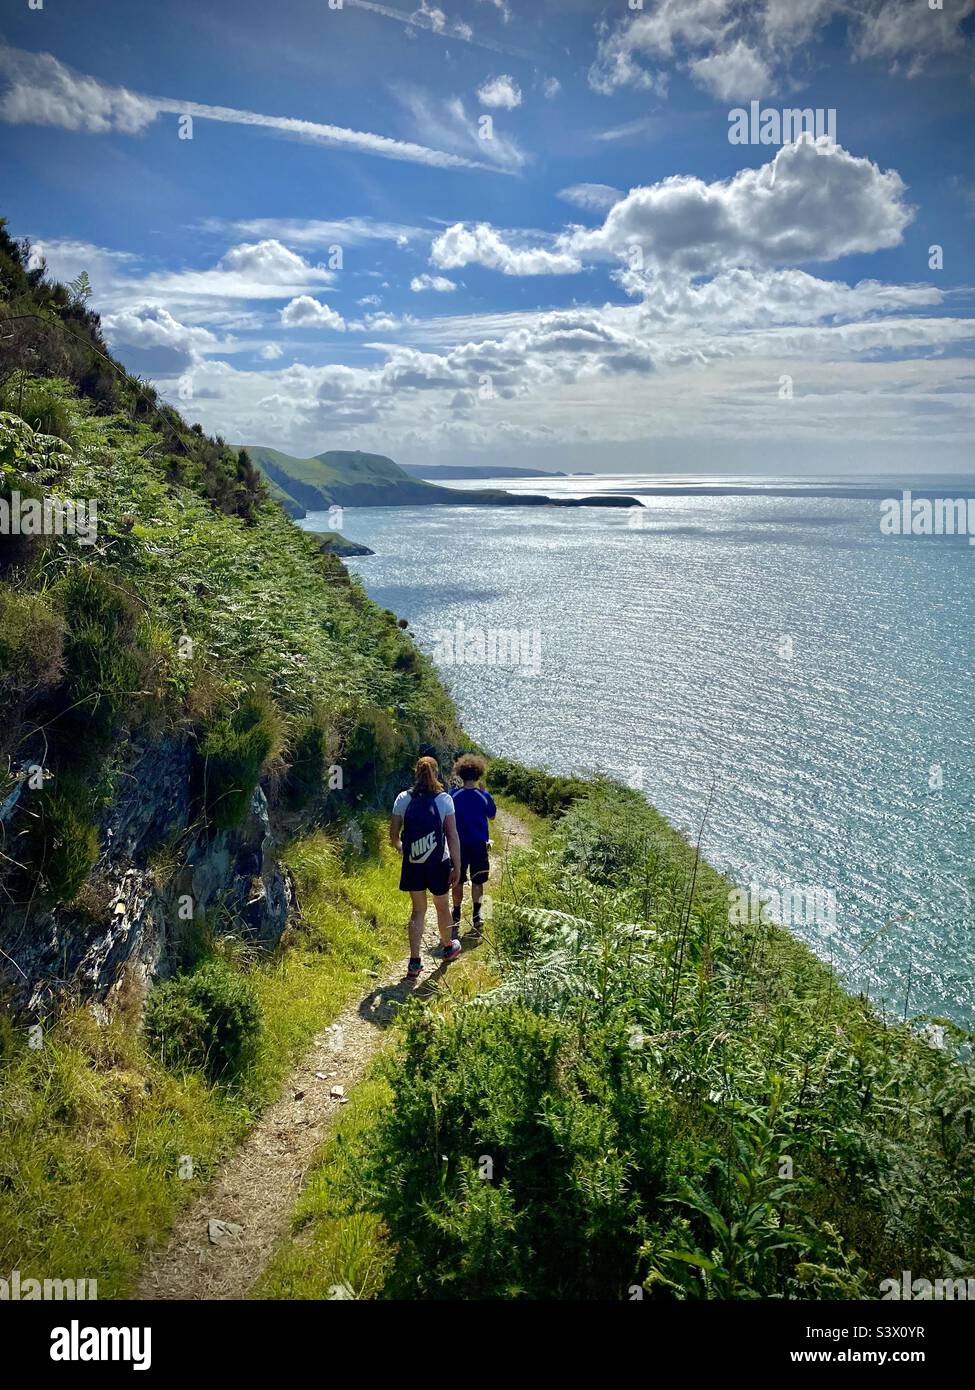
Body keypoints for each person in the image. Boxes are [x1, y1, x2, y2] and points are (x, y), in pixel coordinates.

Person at [389, 755, 462, 979]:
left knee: (418, 910)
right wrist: (456, 866)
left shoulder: (403, 798)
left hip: (414, 864)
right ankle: (448, 947)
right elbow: (452, 835)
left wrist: (405, 850)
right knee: (442, 906)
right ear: (436, 772)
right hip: (438, 863)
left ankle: (414, 962)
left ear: (416, 773)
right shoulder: (444, 800)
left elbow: (393, 836)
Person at [449, 753, 497, 935]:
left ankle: (456, 914)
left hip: (458, 845)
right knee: (478, 881)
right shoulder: (483, 796)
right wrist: (486, 793)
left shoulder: (453, 795)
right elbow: (492, 816)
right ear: (478, 775)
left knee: (458, 881)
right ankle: (478, 915)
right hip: (478, 844)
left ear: (461, 774)